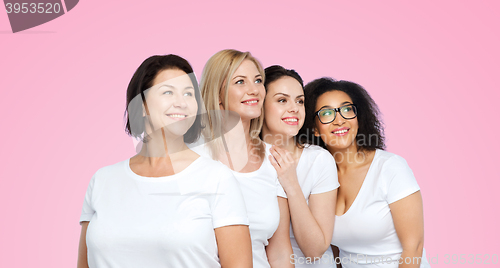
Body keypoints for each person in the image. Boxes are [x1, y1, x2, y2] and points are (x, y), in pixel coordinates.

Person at [77, 54, 252, 268]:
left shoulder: (217, 179)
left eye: (189, 94)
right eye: (168, 92)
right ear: (140, 105)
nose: (181, 102)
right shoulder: (102, 180)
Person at [301, 78, 431, 268]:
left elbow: (414, 248)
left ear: (358, 119)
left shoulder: (390, 167)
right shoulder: (320, 179)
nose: (339, 120)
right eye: (327, 113)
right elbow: (334, 252)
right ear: (315, 129)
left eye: (347, 109)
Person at [191, 49, 293, 268]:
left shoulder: (273, 159)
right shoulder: (191, 160)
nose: (254, 89)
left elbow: (280, 251)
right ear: (217, 95)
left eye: (258, 80)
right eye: (240, 82)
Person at [261, 66, 339, 267]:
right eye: (282, 100)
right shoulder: (245, 159)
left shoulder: (319, 160)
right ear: (260, 105)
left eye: (300, 101)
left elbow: (315, 250)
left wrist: (291, 183)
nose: (294, 108)